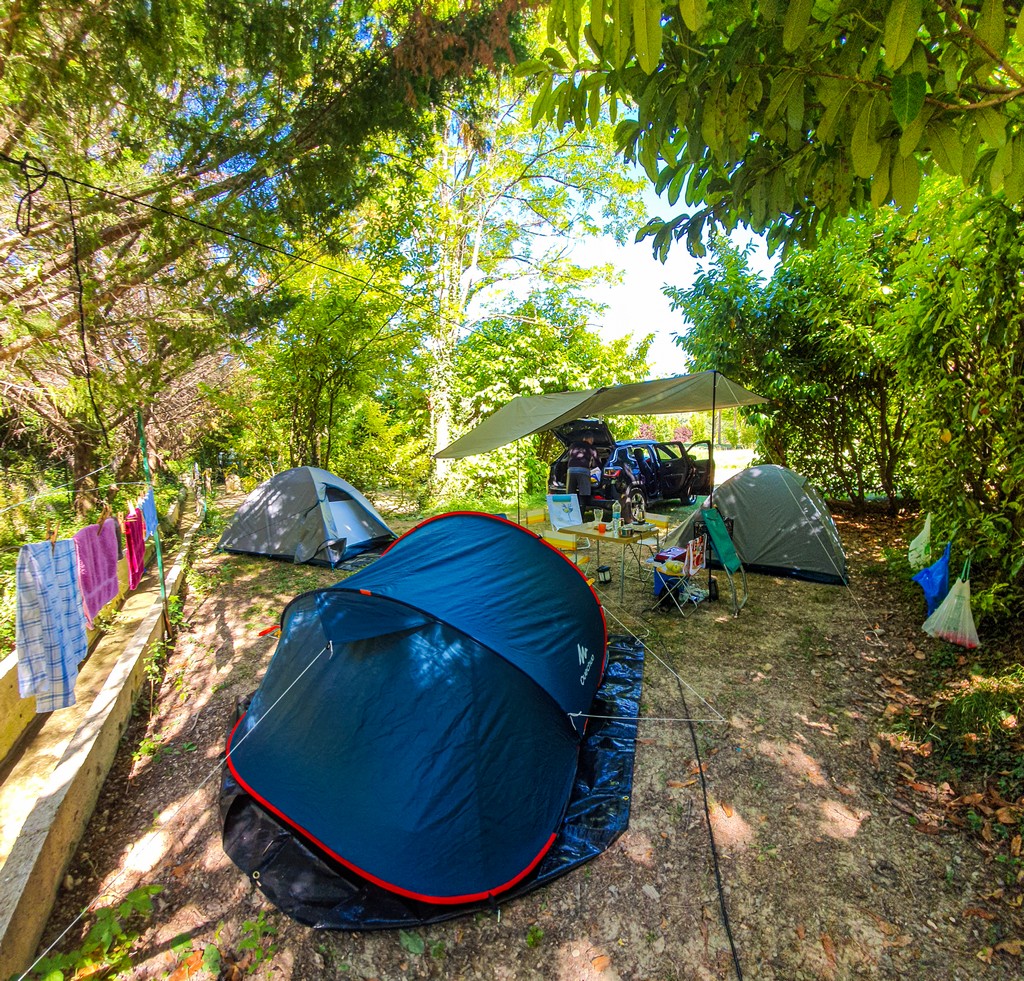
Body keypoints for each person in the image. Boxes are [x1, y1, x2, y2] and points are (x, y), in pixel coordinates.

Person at [566, 432, 601, 506]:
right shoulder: (591, 448)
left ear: (583, 438)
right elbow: (597, 462)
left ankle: (570, 513)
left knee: (570, 494)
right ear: (591, 439)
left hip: (571, 470)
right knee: (584, 494)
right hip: (583, 471)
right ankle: (581, 513)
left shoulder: (573, 445)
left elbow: (569, 456)